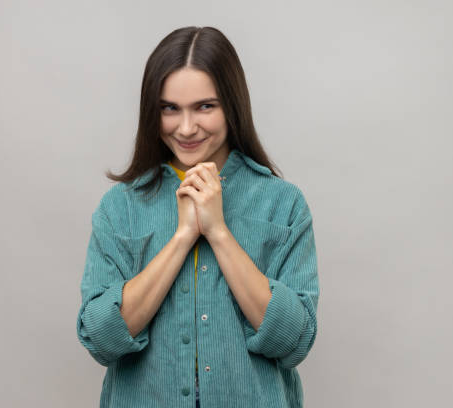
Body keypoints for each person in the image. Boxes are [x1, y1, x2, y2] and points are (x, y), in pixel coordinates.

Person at [76, 26, 319, 408]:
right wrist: (183, 237)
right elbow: (101, 339)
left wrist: (218, 232)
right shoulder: (119, 208)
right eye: (169, 108)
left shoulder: (283, 204)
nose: (186, 128)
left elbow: (294, 342)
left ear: (232, 105)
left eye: (205, 106)